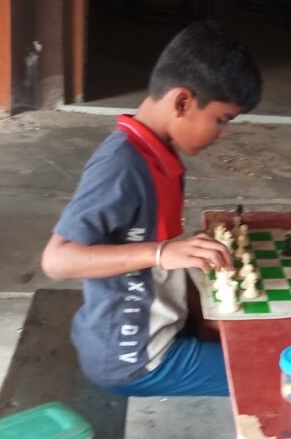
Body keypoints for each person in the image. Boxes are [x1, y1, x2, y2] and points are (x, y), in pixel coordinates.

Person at [40, 21, 261, 397]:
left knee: (264, 333)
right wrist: (161, 253)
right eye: (221, 120)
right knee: (276, 374)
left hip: (156, 327)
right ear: (182, 102)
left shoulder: (158, 156)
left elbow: (168, 261)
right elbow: (57, 261)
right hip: (136, 357)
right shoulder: (121, 165)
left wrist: (202, 310)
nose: (223, 135)